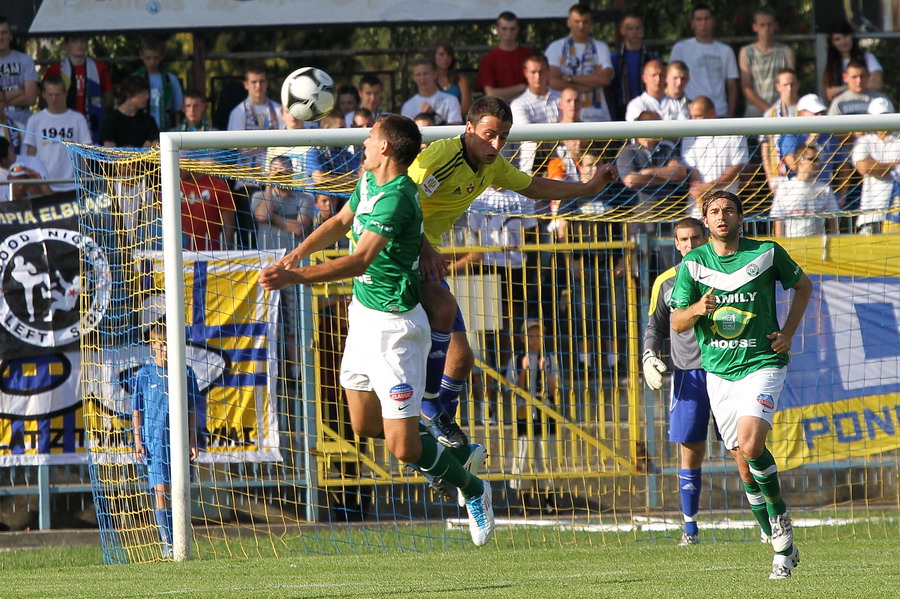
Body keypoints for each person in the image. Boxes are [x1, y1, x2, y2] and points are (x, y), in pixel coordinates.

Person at [258, 114, 496, 546]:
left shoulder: (398, 197)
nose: (364, 143)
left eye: (370, 138)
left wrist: (297, 278)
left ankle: (473, 488)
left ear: (386, 147)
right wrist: (295, 255)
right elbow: (339, 222)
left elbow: (358, 260)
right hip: (362, 319)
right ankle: (455, 453)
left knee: (402, 447)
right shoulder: (368, 181)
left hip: (396, 331)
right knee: (364, 422)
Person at [407, 95, 616, 449]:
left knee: (462, 358)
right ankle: (429, 412)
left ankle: (439, 423)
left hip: (425, 256)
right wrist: (426, 247)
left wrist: (586, 188)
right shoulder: (439, 158)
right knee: (437, 322)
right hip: (400, 253)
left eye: (503, 136)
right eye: (489, 134)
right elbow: (403, 200)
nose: (496, 144)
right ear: (468, 128)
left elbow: (533, 185)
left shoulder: (492, 165)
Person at [671, 189, 812, 579]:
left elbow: (804, 287)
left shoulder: (766, 252)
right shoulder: (694, 264)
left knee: (752, 445)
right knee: (742, 462)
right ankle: (773, 534)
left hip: (763, 362)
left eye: (728, 210)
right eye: (714, 211)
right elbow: (678, 321)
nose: (721, 216)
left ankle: (780, 526)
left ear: (739, 217)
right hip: (718, 371)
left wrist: (788, 332)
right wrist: (699, 308)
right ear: (705, 220)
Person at [643, 217, 768, 546]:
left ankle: (766, 521)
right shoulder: (666, 284)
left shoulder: (729, 274)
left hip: (730, 369)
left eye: (694, 238)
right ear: (675, 243)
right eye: (682, 239)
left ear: (706, 238)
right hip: (689, 375)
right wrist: (648, 355)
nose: (688, 245)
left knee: (743, 448)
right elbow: (656, 325)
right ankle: (690, 528)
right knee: (690, 449)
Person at [132, 323, 202, 559]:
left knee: (179, 490)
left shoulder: (185, 372)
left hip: (179, 442)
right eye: (159, 345)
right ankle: (168, 542)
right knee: (160, 490)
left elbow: (192, 408)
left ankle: (181, 537)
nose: (163, 350)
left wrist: (192, 439)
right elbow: (137, 411)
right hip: (154, 442)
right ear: (152, 346)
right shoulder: (143, 375)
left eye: (167, 345)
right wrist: (138, 441)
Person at [507, 319, 559, 514]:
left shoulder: (550, 358)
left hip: (545, 410)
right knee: (523, 455)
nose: (534, 339)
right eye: (530, 334)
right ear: (523, 337)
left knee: (547, 456)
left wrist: (545, 372)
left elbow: (554, 390)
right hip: (524, 411)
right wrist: (523, 369)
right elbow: (513, 389)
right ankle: (524, 502)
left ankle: (549, 500)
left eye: (538, 334)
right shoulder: (516, 359)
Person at [545, 3, 614, 122]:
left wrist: (569, 78)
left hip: (597, 116)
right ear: (569, 22)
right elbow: (553, 81)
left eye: (585, 22)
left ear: (591, 23)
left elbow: (605, 79)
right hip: (565, 115)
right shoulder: (556, 47)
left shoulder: (600, 47)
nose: (581, 26)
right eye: (577, 21)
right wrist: (592, 80)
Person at [23, 75, 92, 192]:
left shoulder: (77, 119)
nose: (54, 99)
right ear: (44, 94)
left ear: (65, 94)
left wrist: (84, 180)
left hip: (72, 185)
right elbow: (31, 155)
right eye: (50, 95)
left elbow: (86, 152)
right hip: (44, 184)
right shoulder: (35, 120)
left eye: (57, 94)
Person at [682, 97, 749, 217]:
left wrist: (709, 186)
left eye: (698, 116)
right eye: (692, 116)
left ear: (712, 112)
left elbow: (737, 168)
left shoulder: (734, 133)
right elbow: (692, 170)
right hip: (697, 207)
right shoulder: (689, 136)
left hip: (728, 205)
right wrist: (699, 196)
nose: (694, 120)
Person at [669, 4, 739, 118]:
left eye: (707, 19)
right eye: (699, 19)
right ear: (692, 23)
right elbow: (671, 82)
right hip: (690, 113)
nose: (703, 23)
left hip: (719, 112)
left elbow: (732, 87)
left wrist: (730, 116)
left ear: (713, 22)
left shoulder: (726, 51)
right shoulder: (680, 48)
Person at [43, 34, 113, 144]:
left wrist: (97, 111)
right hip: (63, 123)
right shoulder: (55, 69)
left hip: (92, 124)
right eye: (74, 41)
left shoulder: (99, 68)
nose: (79, 44)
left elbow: (109, 98)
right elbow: (45, 99)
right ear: (66, 45)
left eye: (83, 40)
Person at [852, 97, 900, 234]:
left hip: (897, 215)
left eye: (886, 116)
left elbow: (870, 167)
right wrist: (894, 165)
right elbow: (864, 168)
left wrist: (877, 167)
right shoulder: (864, 141)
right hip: (870, 215)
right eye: (879, 117)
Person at [770, 145, 839, 237]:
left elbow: (833, 221)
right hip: (793, 245)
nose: (817, 163)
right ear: (800, 161)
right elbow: (778, 222)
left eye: (817, 159)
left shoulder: (824, 188)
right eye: (813, 159)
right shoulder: (785, 188)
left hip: (817, 245)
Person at [738, 7, 795, 118]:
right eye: (762, 25)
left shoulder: (786, 51)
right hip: (755, 110)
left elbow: (791, 82)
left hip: (783, 109)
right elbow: (746, 87)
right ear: (755, 27)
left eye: (770, 24)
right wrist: (769, 110)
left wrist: (777, 110)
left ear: (775, 26)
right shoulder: (746, 52)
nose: (767, 29)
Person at [510, 54, 560, 175]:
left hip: (563, 163)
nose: (538, 76)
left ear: (548, 72)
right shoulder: (518, 104)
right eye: (533, 72)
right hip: (531, 167)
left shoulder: (562, 97)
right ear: (526, 73)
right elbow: (529, 135)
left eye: (541, 72)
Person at [609, 12, 658, 121]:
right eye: (630, 28)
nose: (634, 32)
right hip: (620, 110)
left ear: (642, 31)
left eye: (637, 28)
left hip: (648, 109)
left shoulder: (651, 58)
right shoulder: (614, 58)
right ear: (622, 31)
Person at [475, 11, 532, 103]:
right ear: (497, 29)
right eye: (504, 29)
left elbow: (537, 89)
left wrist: (504, 94)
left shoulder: (529, 56)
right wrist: (521, 87)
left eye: (512, 29)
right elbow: (491, 93)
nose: (508, 33)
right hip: (500, 111)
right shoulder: (489, 59)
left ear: (517, 29)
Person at [178, 162, 236, 251]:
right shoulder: (170, 186)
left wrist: (225, 253)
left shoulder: (218, 186)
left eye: (179, 164)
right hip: (177, 255)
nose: (176, 168)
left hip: (210, 255)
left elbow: (229, 225)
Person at [823, 19, 883, 103]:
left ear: (852, 36)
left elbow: (876, 84)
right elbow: (830, 94)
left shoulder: (867, 58)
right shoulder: (832, 65)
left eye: (845, 36)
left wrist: (844, 88)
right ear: (832, 43)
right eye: (837, 39)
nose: (843, 42)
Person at [759, 69, 799, 191]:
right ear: (778, 86)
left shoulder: (806, 109)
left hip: (805, 169)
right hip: (780, 173)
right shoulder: (770, 114)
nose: (790, 88)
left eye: (792, 84)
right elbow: (765, 146)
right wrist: (769, 176)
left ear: (798, 84)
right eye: (786, 84)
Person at [132, 36, 183, 131]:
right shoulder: (134, 79)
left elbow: (177, 111)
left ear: (161, 56)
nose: (152, 62)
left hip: (165, 129)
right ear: (141, 55)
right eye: (148, 58)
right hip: (140, 132)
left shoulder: (170, 79)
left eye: (155, 58)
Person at [101, 76, 159, 148]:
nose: (147, 97)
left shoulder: (148, 120)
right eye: (143, 93)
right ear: (129, 94)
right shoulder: (111, 120)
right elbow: (110, 151)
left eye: (147, 93)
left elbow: (155, 145)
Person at [0, 16, 38, 127]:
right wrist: (18, 91)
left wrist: (2, 102)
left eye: (4, 33)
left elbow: (31, 98)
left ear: (10, 36)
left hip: (23, 120)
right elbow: (26, 94)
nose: (0, 37)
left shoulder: (25, 60)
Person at [400, 58, 463, 126]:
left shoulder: (451, 100)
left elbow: (454, 130)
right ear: (413, 77)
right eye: (418, 74)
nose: (422, 78)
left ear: (435, 74)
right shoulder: (408, 106)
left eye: (426, 73)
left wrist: (432, 114)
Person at [227, 61, 284, 133]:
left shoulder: (279, 110)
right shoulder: (239, 112)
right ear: (246, 85)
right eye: (254, 82)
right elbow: (234, 142)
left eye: (262, 81)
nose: (258, 86)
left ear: (267, 83)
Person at [433, 41, 472, 115]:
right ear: (434, 56)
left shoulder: (461, 80)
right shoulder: (427, 80)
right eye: (441, 54)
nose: (445, 58)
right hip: (433, 124)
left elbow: (466, 108)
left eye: (449, 55)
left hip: (456, 123)